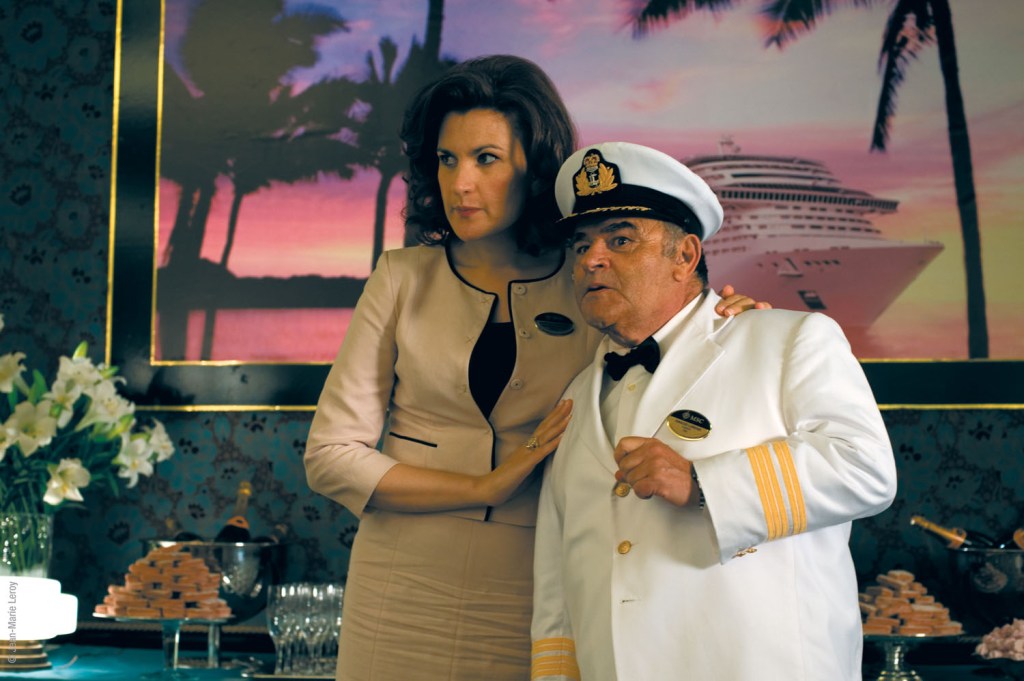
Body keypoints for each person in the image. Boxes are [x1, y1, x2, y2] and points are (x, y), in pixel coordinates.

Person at [304, 57, 766, 681]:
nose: (461, 183)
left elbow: (672, 345)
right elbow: (330, 455)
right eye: (447, 160)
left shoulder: (593, 280)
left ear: (536, 168)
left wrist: (729, 324)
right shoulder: (400, 278)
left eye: (486, 159)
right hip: (397, 583)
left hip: (536, 584)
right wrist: (481, 488)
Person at [531, 141, 898, 681]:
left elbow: (866, 469)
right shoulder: (577, 394)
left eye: (620, 239)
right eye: (581, 245)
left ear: (685, 257)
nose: (590, 259)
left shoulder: (788, 339)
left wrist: (703, 483)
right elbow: (558, 579)